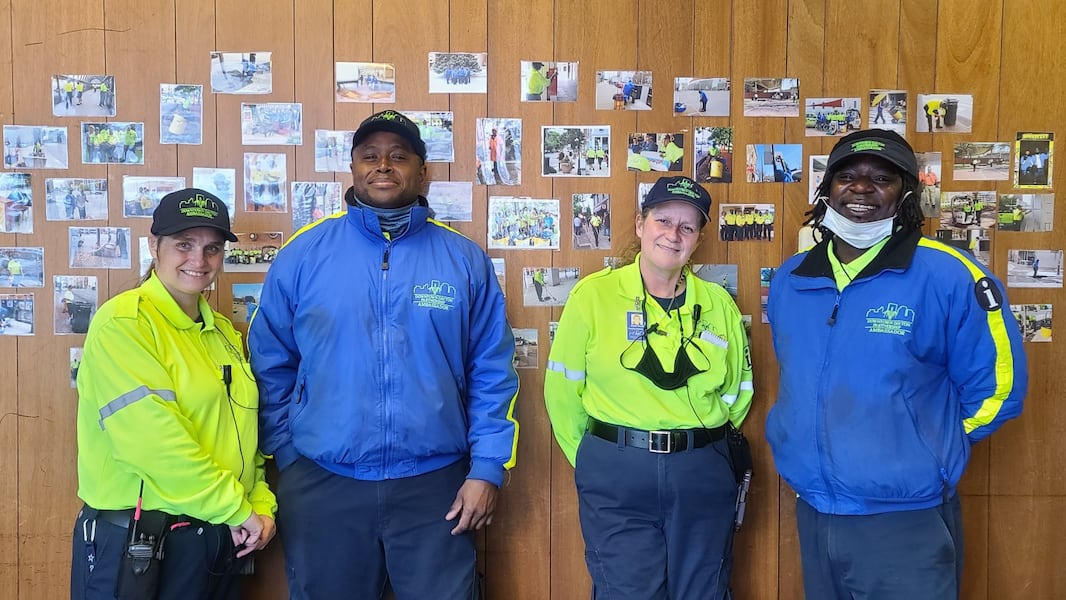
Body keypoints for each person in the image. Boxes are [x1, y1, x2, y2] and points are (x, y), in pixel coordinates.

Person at [249, 109, 519, 599]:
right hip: (323, 479)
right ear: (352, 167)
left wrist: (486, 470)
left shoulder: (463, 259)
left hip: (436, 484)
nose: (383, 166)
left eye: (399, 156)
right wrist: (288, 455)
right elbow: (270, 362)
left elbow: (492, 372)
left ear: (422, 171)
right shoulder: (303, 254)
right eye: (369, 155)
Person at [765, 129, 1027, 599]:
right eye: (847, 176)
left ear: (907, 194)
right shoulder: (792, 278)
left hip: (903, 519)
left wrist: (919, 445)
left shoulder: (949, 275)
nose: (861, 188)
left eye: (881, 178)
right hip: (816, 509)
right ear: (826, 190)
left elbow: (999, 389)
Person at [545, 175, 754, 599]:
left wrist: (701, 444)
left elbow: (737, 392)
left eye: (687, 227)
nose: (673, 235)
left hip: (702, 469)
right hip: (616, 468)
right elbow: (562, 392)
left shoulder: (718, 304)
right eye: (663, 220)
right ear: (641, 225)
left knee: (705, 591)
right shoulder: (593, 296)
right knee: (625, 591)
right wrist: (593, 457)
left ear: (697, 239)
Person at [71, 188, 276, 600]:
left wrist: (261, 503)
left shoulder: (222, 332)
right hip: (141, 543)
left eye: (212, 248)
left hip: (220, 536)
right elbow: (153, 442)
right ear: (154, 245)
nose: (199, 261)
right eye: (184, 244)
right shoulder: (124, 323)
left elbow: (245, 435)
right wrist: (238, 509)